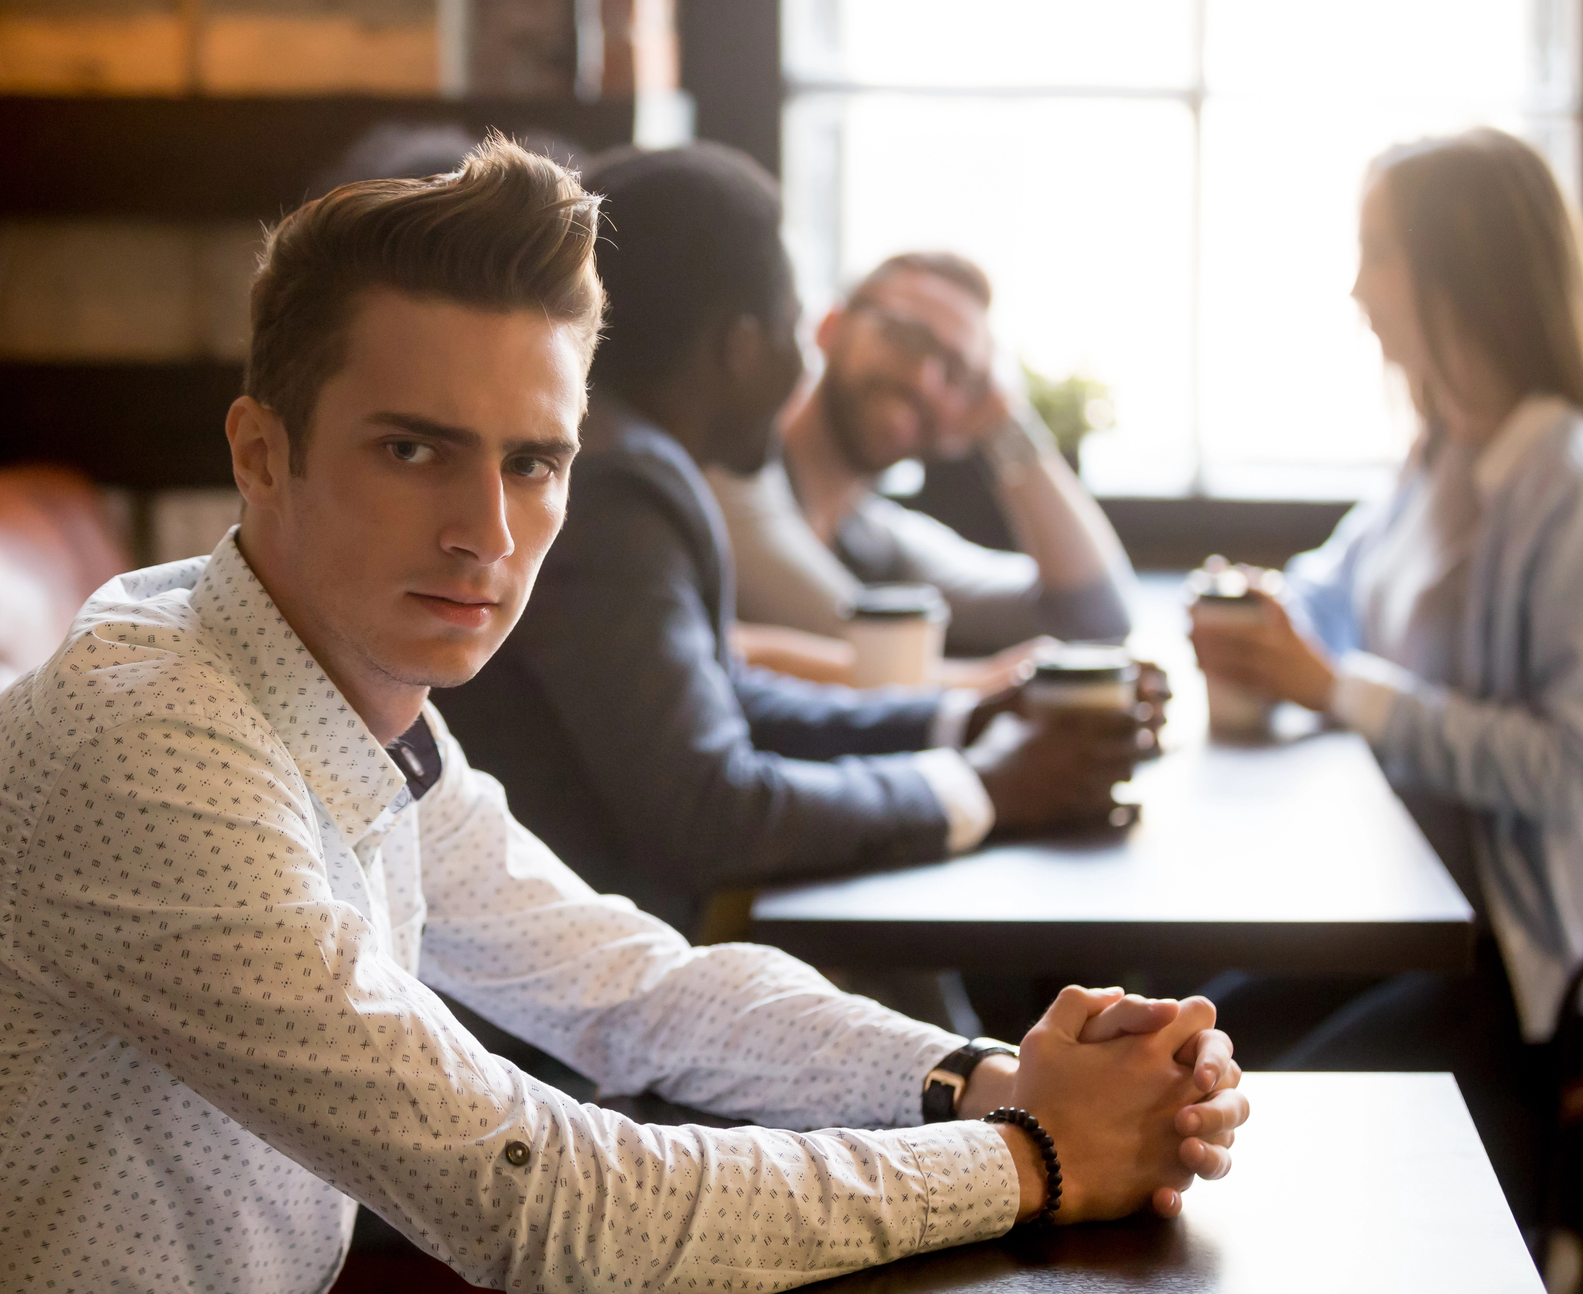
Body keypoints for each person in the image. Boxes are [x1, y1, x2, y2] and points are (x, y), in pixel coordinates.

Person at [0, 137, 1246, 1293]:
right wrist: (1034, 1157)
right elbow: (538, 1205)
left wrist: (976, 1077)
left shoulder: (341, 695)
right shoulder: (154, 742)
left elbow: (629, 987)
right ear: (261, 452)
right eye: (414, 449)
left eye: (535, 462)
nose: (486, 529)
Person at [435, 145, 1159, 944]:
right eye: (792, 332)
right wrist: (982, 785)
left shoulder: (635, 463)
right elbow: (708, 811)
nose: (799, 366)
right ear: (740, 347)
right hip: (576, 993)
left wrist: (958, 720)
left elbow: (722, 690)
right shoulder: (620, 488)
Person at [1189, 127, 1583, 1231]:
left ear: (1462, 266)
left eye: (1377, 251)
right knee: (1190, 1048)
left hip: (1540, 965)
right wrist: (1258, 610)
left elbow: (1567, 764)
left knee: (1253, 1134)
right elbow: (1335, 593)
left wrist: (1331, 685)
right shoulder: (1442, 452)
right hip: (1417, 921)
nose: (1355, 287)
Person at [708, 251, 1137, 691]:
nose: (925, 379)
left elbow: (1094, 616)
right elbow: (860, 647)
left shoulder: (880, 543)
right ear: (830, 329)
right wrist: (985, 684)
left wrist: (1006, 423)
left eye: (957, 372)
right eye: (906, 336)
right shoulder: (728, 476)